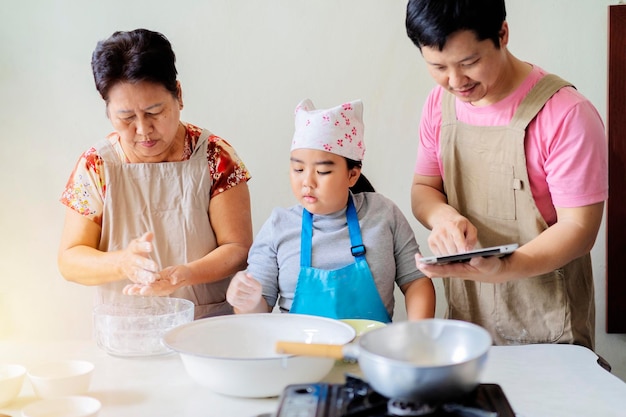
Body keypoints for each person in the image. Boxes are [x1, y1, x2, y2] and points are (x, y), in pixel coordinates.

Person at [405, 0, 607, 349]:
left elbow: (579, 229)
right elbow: (424, 189)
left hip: (547, 325)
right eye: (437, 66)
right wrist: (445, 218)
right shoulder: (439, 104)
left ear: (502, 33)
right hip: (467, 321)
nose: (455, 81)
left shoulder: (566, 114)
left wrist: (504, 268)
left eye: (469, 63)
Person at [57, 29, 253, 319]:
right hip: (126, 330)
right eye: (126, 118)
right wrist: (122, 263)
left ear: (179, 95)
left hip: (205, 326)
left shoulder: (215, 157)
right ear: (108, 111)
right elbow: (70, 259)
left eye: (154, 112)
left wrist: (184, 275)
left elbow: (237, 248)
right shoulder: (96, 166)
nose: (142, 129)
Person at [226, 99, 436, 322]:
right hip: (301, 355)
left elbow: (416, 281)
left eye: (323, 171)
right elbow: (258, 312)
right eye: (298, 169)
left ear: (352, 175)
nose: (307, 182)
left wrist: (416, 335)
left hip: (371, 353)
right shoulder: (278, 226)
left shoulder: (383, 214)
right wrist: (246, 302)